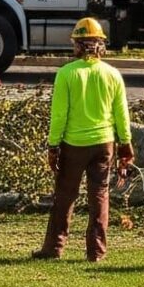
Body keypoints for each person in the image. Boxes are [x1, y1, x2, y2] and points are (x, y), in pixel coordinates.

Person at [34, 17, 134, 263]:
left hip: (73, 145)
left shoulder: (67, 74)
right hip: (104, 144)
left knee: (65, 196)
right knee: (99, 196)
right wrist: (125, 144)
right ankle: (96, 252)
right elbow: (122, 114)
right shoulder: (113, 74)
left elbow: (59, 115)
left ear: (77, 45)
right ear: (101, 45)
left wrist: (53, 146)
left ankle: (54, 247)